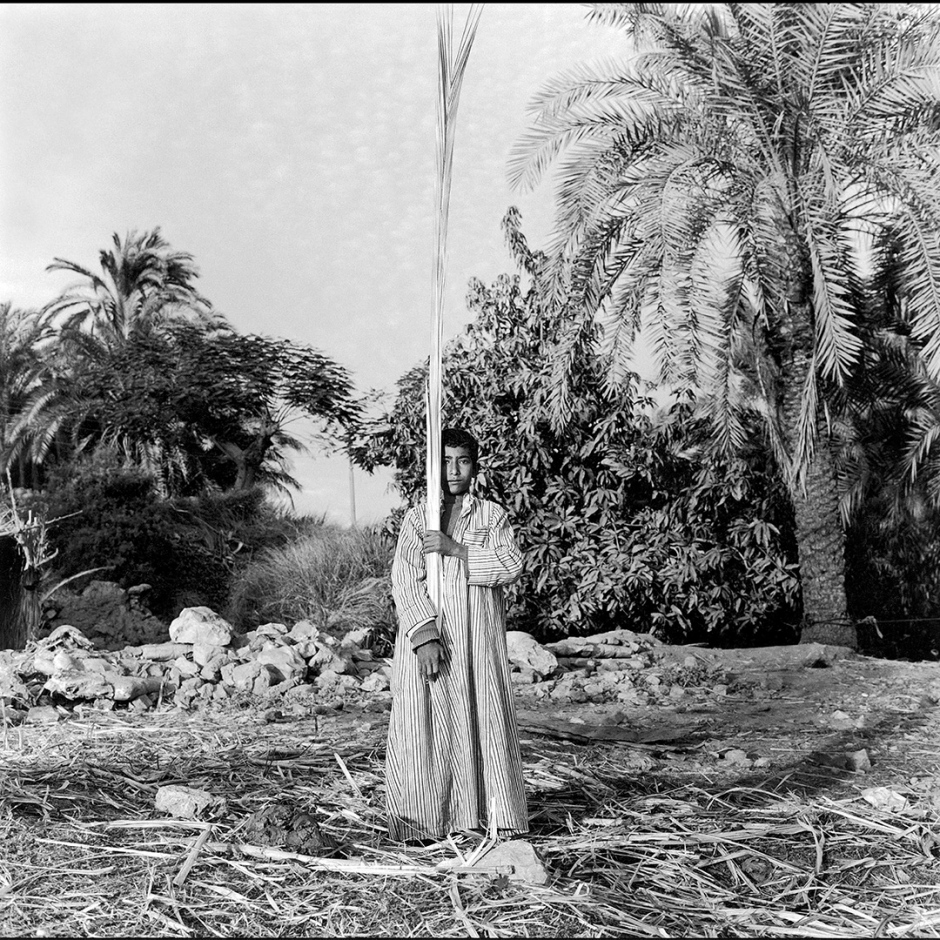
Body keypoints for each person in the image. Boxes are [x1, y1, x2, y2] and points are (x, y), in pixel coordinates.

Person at [385, 427, 528, 842]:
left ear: (474, 466)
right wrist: (425, 633)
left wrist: (456, 548)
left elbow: (509, 564)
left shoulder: (491, 516)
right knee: (423, 724)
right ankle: (421, 823)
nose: (453, 470)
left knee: (481, 720)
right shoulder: (417, 518)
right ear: (432, 467)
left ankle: (486, 819)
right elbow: (404, 579)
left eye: (462, 460)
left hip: (476, 642)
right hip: (431, 642)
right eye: (444, 461)